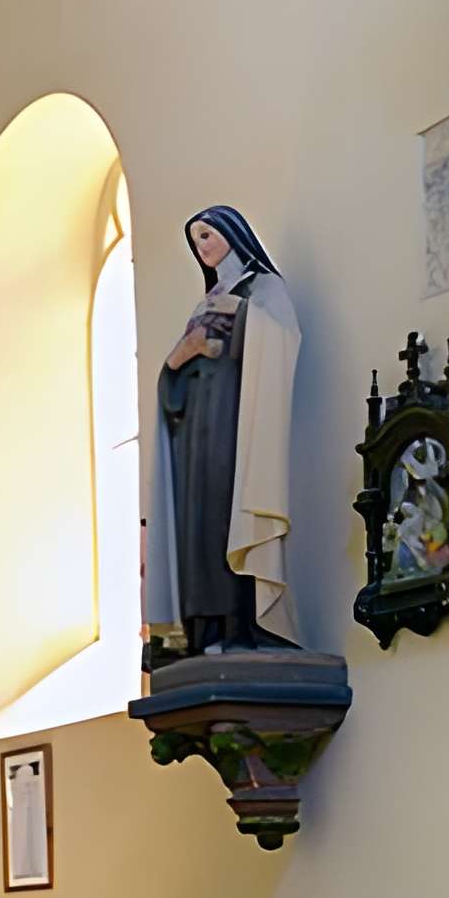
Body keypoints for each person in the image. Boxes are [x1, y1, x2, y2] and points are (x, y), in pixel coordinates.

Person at [144, 205, 300, 657]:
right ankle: (205, 631)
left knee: (228, 515)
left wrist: (242, 314)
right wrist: (183, 353)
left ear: (233, 234)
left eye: (207, 236)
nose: (202, 247)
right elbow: (172, 376)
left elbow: (282, 339)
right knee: (198, 525)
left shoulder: (263, 289)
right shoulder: (204, 304)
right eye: (196, 241)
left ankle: (239, 627)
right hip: (196, 429)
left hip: (236, 425)